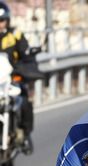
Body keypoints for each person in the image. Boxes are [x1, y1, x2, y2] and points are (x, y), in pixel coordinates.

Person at [0, 1, 34, 153]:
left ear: (7, 20)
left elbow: (25, 54)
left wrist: (22, 68)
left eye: (1, 20)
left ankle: (25, 134)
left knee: (25, 100)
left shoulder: (15, 35)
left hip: (12, 78)